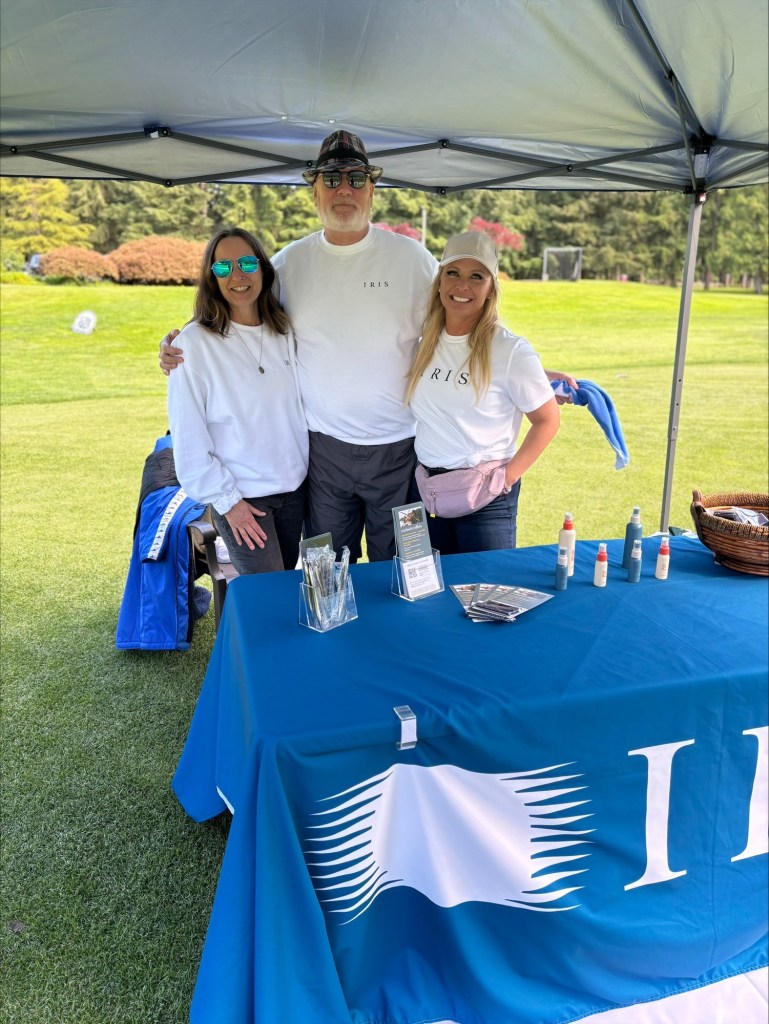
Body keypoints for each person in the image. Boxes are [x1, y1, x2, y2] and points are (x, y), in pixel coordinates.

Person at [161, 131, 577, 561]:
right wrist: (181, 341)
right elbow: (241, 307)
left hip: (399, 453)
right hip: (323, 454)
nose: (344, 190)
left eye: (356, 180)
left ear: (372, 191)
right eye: (331, 179)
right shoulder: (288, 264)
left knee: (398, 568)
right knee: (327, 569)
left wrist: (531, 372)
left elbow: (461, 315)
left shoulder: (411, 259)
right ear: (314, 191)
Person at [405, 231, 560, 554]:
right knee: (425, 585)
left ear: (491, 289)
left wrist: (507, 478)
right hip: (426, 494)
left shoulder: (510, 350)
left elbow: (548, 420)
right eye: (453, 273)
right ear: (440, 281)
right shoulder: (423, 343)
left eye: (477, 276)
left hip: (486, 501)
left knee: (487, 587)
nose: (462, 286)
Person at [166, 227, 308, 574]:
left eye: (246, 263)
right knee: (266, 597)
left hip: (295, 492)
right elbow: (189, 441)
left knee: (286, 588)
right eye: (223, 267)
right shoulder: (192, 345)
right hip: (243, 499)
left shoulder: (283, 331)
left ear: (262, 268)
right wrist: (228, 503)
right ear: (211, 278)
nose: (237, 275)